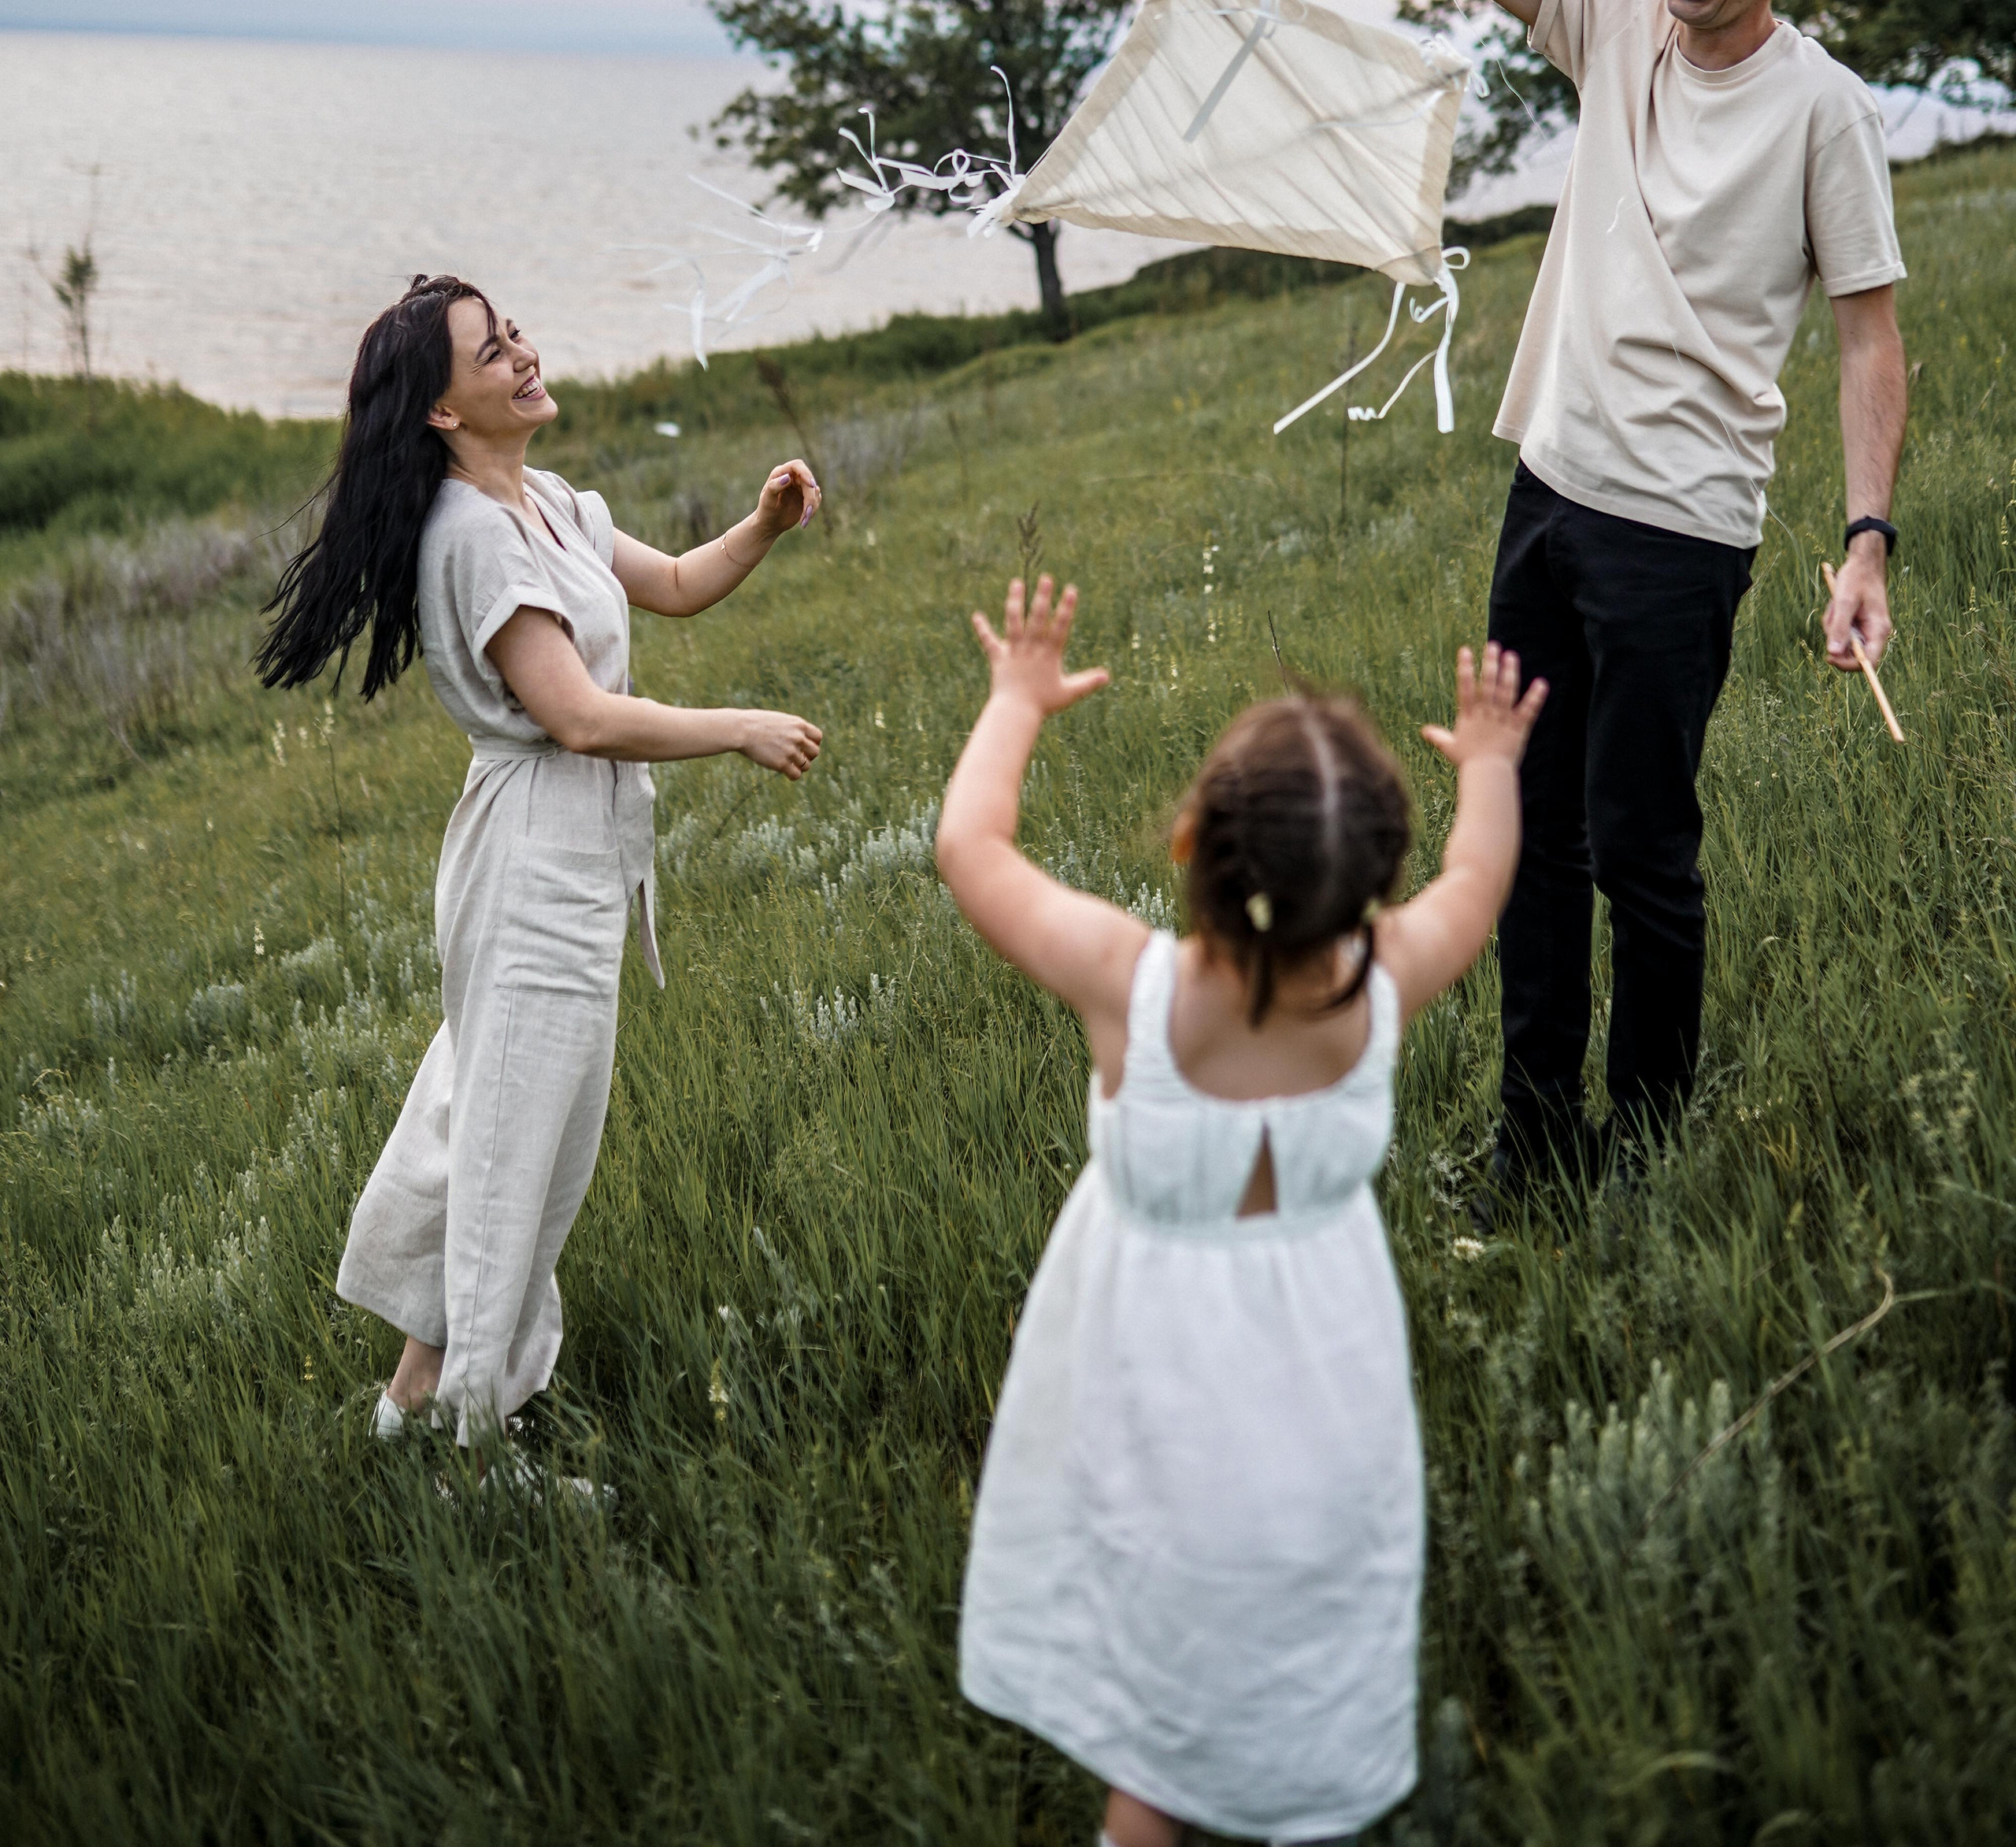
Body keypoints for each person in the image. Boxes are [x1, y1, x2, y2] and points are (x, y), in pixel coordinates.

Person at [1221, 0, 1909, 1195]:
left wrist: (1865, 539)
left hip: (1680, 531)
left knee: (1641, 853)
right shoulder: (1606, 20)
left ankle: (1645, 1152)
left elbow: (1868, 340)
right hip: (1545, 498)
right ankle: (1533, 1144)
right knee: (1524, 833)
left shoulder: (1826, 113)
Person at [940, 573, 1545, 1847]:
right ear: (1376, 877)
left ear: (1190, 846)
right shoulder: (1384, 981)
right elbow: (1482, 877)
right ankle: (1297, 1792)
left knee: (1161, 1632)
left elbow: (972, 850)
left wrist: (1017, 700)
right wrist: (1491, 762)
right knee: (1303, 1612)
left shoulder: (1132, 989)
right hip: (1324, 1385)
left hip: (1150, 1388)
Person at [258, 271, 823, 1448]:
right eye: (491, 352)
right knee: (514, 1164)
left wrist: (763, 526)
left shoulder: (549, 502)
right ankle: (473, 1453)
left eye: (513, 332)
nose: (522, 355)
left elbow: (676, 586)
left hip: (570, 857)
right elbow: (577, 716)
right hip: (529, 868)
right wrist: (737, 727)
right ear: (444, 411)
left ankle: (409, 1410)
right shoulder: (470, 537)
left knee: (500, 1137)